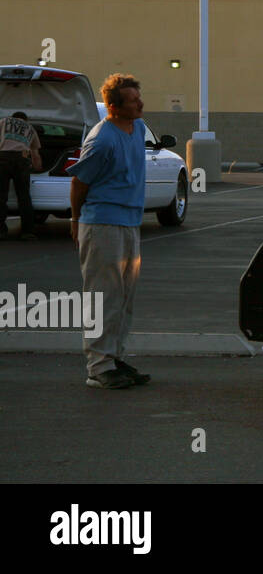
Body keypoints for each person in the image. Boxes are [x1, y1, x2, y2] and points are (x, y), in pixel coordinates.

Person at [69, 74, 150, 390]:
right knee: (103, 296)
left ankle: (114, 357)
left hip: (130, 222)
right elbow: (79, 183)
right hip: (102, 224)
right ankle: (98, 367)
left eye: (138, 97)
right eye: (133, 100)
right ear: (114, 107)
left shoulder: (138, 128)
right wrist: (76, 222)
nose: (140, 104)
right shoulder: (101, 140)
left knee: (124, 296)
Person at [0, 110, 42, 240]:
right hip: (22, 160)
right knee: (24, 196)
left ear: (13, 117)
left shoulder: (3, 122)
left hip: (3, 158)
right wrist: (38, 169)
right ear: (25, 120)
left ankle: (1, 231)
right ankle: (27, 231)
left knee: (1, 196)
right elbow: (35, 154)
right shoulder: (30, 128)